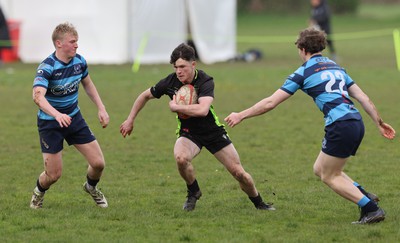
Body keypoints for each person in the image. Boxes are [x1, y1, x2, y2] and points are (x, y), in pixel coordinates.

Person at [224, 28, 396, 224]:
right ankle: (363, 194)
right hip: (355, 122)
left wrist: (241, 115)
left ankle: (371, 209)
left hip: (340, 125)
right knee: (319, 168)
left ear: (303, 49)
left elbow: (271, 102)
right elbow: (363, 98)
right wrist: (379, 122)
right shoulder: (337, 67)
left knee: (329, 176)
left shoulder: (303, 72)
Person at [120, 43, 275, 211]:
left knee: (239, 173)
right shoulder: (170, 81)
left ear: (193, 64)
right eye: (176, 67)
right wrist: (130, 119)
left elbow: (202, 110)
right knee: (181, 158)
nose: (179, 71)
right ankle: (193, 191)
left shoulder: (205, 80)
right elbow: (145, 95)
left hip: (213, 132)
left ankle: (259, 203)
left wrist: (177, 107)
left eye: (182, 67)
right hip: (189, 133)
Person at [30, 22, 109, 209]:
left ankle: (91, 187)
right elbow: (38, 97)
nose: (76, 45)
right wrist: (57, 115)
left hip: (74, 118)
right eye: (72, 42)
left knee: (98, 163)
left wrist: (101, 107)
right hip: (50, 123)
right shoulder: (47, 67)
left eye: (77, 42)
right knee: (53, 175)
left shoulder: (79, 62)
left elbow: (88, 85)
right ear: (59, 44)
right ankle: (38, 192)